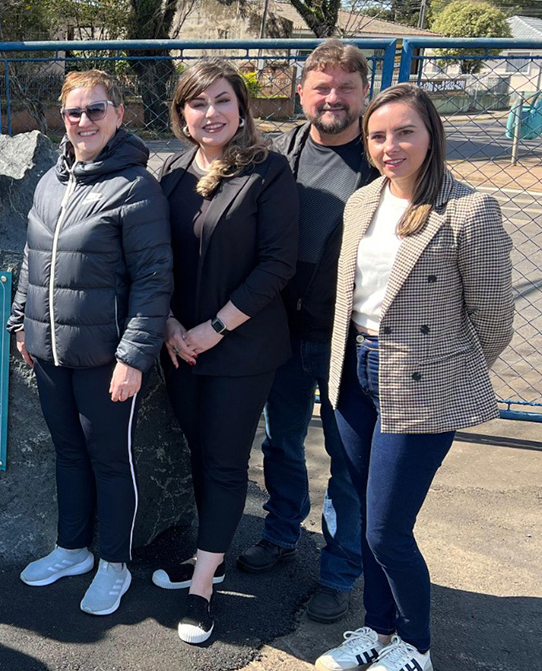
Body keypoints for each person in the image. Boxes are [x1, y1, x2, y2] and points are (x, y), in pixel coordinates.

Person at [314, 84, 513, 671]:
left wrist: (447, 374)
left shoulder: (469, 210)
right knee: (364, 515)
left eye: (405, 132)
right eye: (378, 135)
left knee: (386, 530)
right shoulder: (362, 202)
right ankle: (375, 630)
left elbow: (495, 320)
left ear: (432, 136)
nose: (390, 146)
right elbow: (350, 298)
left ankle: (415, 646)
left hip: (422, 383)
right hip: (353, 374)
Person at [7, 69, 171, 617]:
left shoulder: (135, 187)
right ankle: (72, 549)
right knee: (68, 454)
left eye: (96, 110)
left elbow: (153, 280)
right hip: (49, 350)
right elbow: (32, 258)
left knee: (110, 460)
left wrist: (133, 357)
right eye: (74, 112)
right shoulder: (51, 181)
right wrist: (21, 322)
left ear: (119, 114)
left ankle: (113, 563)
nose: (83, 122)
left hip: (106, 358)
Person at [152, 59, 298, 644]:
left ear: (241, 109)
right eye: (197, 103)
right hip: (178, 344)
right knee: (197, 452)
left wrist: (216, 326)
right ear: (182, 115)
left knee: (224, 461)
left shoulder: (268, 172)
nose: (209, 114)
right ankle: (207, 552)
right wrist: (167, 326)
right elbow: (153, 259)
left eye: (220, 101)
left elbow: (277, 265)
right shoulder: (170, 172)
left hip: (240, 348)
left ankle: (203, 587)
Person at [237, 39, 377, 623]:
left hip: (349, 338)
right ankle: (280, 533)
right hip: (281, 332)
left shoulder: (385, 159)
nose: (333, 98)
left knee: (347, 462)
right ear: (301, 93)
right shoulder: (278, 155)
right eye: (322, 87)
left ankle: (339, 570)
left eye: (346, 87)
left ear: (364, 94)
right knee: (281, 442)